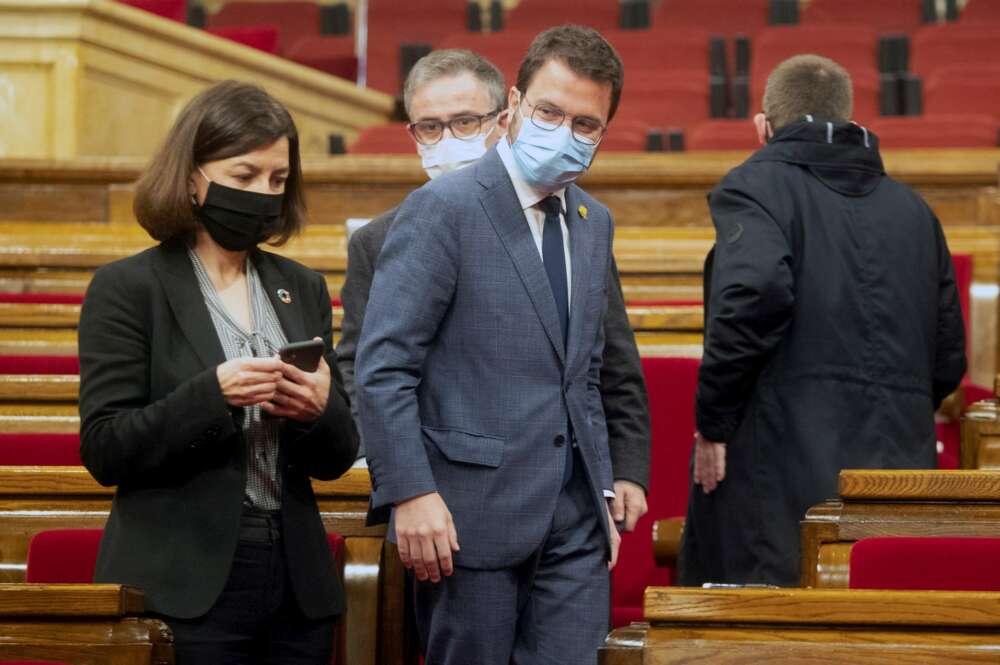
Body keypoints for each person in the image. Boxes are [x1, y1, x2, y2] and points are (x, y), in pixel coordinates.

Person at [356, 25, 626, 664]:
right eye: (550, 112)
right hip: (463, 517)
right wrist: (410, 493)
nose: (564, 133)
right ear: (514, 104)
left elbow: (582, 372)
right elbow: (384, 367)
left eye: (585, 124)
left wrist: (604, 485)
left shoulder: (593, 221)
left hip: (575, 520)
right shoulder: (444, 207)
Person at [78, 81, 359, 664]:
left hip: (294, 581)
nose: (264, 193)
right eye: (244, 175)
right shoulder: (129, 288)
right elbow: (106, 449)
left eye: (278, 180)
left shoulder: (300, 286)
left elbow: (336, 456)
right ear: (190, 177)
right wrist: (214, 395)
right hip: (184, 579)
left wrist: (318, 411)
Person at [678, 55, 967, 587]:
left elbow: (753, 293)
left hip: (779, 479)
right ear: (854, 120)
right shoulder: (916, 212)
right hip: (897, 480)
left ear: (763, 127)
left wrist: (713, 423)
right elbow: (949, 356)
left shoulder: (754, 187)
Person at [337, 48, 650, 531]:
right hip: (432, 491)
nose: (447, 142)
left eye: (464, 123)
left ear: (503, 118)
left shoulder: (575, 220)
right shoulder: (376, 240)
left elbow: (608, 362)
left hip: (550, 485)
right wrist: (392, 477)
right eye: (430, 128)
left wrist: (624, 469)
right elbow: (366, 368)